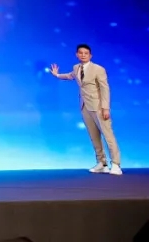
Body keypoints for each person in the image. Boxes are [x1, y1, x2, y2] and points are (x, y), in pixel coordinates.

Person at [50, 44, 121, 175]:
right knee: (94, 136)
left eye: (86, 53)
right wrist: (57, 75)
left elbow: (105, 89)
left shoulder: (98, 69)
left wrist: (105, 108)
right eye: (80, 53)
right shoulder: (76, 68)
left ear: (90, 55)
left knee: (108, 135)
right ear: (77, 54)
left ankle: (116, 164)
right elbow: (70, 76)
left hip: (98, 107)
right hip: (85, 106)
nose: (83, 55)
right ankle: (102, 163)